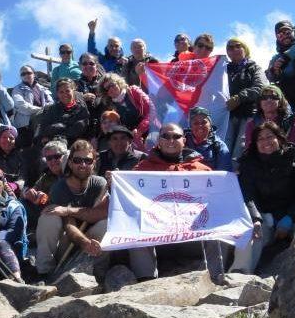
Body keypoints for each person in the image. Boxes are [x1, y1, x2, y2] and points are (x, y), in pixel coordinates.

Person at [37, 140, 156, 280]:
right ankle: (44, 271)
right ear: (70, 163)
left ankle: (98, 272)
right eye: (77, 160)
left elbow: (102, 213)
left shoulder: (100, 183)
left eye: (88, 160)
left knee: (107, 223)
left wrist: (69, 210)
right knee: (49, 217)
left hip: (92, 239)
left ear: (94, 163)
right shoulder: (59, 188)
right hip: (69, 242)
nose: (83, 165)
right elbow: (69, 225)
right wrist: (84, 242)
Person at [134, 123, 228, 280]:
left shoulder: (202, 169)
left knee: (216, 227)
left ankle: (216, 279)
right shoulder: (142, 168)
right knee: (133, 229)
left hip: (193, 232)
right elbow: (129, 194)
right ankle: (145, 281)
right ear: (158, 140)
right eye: (166, 136)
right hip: (156, 231)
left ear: (184, 140)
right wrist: (115, 182)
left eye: (176, 136)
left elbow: (216, 200)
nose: (171, 140)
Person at [232, 122, 295, 273]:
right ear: (255, 143)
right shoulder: (248, 165)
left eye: (270, 136)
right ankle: (239, 272)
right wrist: (256, 219)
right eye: (260, 139)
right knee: (248, 227)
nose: (265, 142)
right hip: (266, 219)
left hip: (294, 218)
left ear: (279, 139)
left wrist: (290, 218)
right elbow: (248, 196)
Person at [223, 38, 268, 154]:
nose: (234, 49)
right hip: (227, 116)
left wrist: (239, 98)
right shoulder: (222, 70)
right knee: (224, 149)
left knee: (241, 149)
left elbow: (260, 87)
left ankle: (239, 172)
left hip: (248, 115)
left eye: (238, 46)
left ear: (245, 49)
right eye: (230, 48)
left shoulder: (254, 68)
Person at [22, 137, 68, 231]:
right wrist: (29, 194)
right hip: (44, 212)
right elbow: (34, 190)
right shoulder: (46, 175)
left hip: (64, 215)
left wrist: (46, 199)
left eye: (57, 156)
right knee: (21, 204)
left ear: (65, 156)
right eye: (49, 158)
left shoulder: (71, 174)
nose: (53, 161)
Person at [100, 73, 153, 148]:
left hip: (151, 129)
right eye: (107, 88)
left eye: (112, 84)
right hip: (132, 138)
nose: (111, 88)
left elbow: (152, 110)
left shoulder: (133, 91)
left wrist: (139, 130)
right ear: (106, 93)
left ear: (118, 83)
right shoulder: (110, 107)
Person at [244, 85, 295, 150]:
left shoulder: (292, 121)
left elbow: (293, 148)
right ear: (260, 102)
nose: (269, 100)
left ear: (280, 101)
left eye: (273, 97)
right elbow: (249, 150)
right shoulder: (252, 124)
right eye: (264, 97)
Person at [10, 65, 53, 147]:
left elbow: (51, 102)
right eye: (23, 74)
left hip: (43, 123)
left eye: (29, 73)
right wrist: (41, 110)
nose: (26, 75)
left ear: (34, 74)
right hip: (25, 126)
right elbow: (21, 106)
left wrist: (45, 110)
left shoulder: (43, 89)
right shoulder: (17, 89)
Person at [39, 78, 91, 144]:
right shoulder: (50, 109)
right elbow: (44, 130)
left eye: (67, 91)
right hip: (55, 144)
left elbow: (80, 128)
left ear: (73, 90)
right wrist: (59, 127)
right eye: (61, 92)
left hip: (77, 145)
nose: (65, 94)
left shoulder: (82, 108)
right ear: (57, 94)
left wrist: (59, 129)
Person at [185, 107, 231, 171]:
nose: (200, 126)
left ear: (210, 125)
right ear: (190, 126)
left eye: (204, 122)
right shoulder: (182, 142)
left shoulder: (219, 146)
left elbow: (224, 174)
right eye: (196, 123)